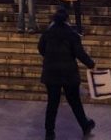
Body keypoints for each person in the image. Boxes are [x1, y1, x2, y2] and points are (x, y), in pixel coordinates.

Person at [38, 8, 96, 140]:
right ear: (66, 20)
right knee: (75, 101)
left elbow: (41, 48)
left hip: (51, 72)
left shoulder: (47, 33)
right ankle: (85, 125)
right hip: (68, 73)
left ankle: (49, 132)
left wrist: (50, 57)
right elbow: (79, 53)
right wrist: (91, 64)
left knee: (52, 103)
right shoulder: (72, 34)